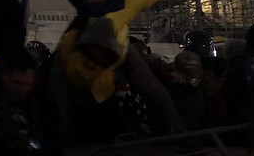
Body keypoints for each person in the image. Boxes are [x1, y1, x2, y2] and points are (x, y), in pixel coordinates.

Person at [48, 15, 182, 144]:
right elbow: (57, 95)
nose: (99, 58)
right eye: (96, 51)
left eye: (105, 53)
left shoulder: (122, 47)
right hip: (76, 104)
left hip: (107, 104)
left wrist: (175, 129)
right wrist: (59, 137)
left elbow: (148, 85)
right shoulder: (66, 49)